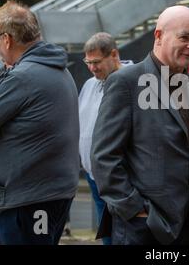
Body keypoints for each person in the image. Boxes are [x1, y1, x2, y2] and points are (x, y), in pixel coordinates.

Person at [91, 5, 189, 245]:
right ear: (158, 36)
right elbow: (104, 157)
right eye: (184, 37)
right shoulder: (125, 82)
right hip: (144, 229)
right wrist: (136, 210)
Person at [0, 0, 80, 245]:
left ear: (6, 39)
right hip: (51, 194)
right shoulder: (59, 70)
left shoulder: (21, 78)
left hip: (24, 201)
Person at [79, 32, 121, 245]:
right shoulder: (89, 85)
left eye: (96, 62)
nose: (92, 68)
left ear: (114, 54)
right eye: (88, 62)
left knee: (123, 236)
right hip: (94, 177)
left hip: (120, 179)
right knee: (107, 237)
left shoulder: (133, 81)